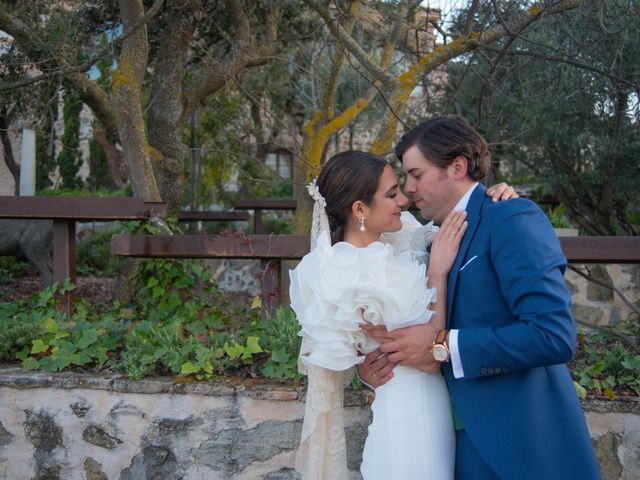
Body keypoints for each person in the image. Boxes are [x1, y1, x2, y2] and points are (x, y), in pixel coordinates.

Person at [359, 115, 601, 480]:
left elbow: (553, 335)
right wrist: (370, 366)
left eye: (417, 174)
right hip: (444, 443)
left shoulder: (511, 217)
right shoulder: (427, 239)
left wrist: (442, 345)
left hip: (520, 444)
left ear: (457, 167)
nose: (408, 188)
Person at [290, 150, 517, 479]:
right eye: (391, 194)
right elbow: (428, 354)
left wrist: (497, 197)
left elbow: (463, 225)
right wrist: (437, 271)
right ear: (359, 209)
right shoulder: (352, 274)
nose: (404, 200)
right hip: (408, 419)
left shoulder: (398, 241)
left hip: (429, 410)